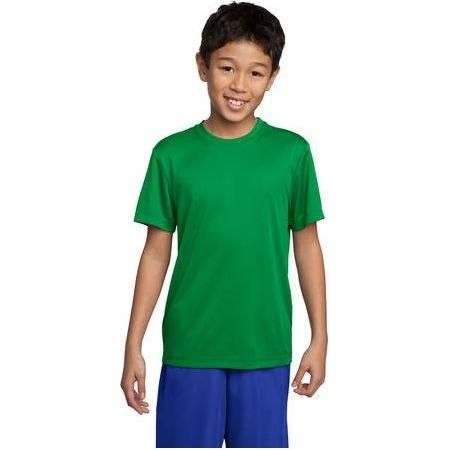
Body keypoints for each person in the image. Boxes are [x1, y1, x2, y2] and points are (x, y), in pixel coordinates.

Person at [121, 1, 328, 447]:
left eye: (255, 73)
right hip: (190, 347)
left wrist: (320, 336)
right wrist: (133, 343)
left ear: (272, 77)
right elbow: (155, 253)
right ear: (203, 66)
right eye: (227, 67)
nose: (239, 85)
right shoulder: (171, 155)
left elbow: (307, 246)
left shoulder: (291, 154)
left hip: (264, 346)